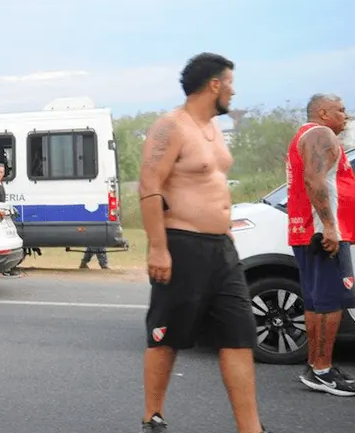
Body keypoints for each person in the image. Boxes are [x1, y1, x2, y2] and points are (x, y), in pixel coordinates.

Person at [137, 53, 269, 433]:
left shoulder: (211, 130)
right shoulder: (171, 126)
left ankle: (251, 429)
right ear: (215, 84)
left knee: (239, 335)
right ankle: (153, 417)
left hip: (221, 248)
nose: (233, 90)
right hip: (180, 244)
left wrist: (224, 234)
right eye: (230, 82)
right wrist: (158, 247)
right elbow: (150, 186)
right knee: (167, 335)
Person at [286, 93, 355, 397]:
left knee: (318, 301)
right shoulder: (320, 134)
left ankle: (318, 366)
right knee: (330, 302)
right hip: (321, 231)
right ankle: (320, 371)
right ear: (323, 112)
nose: (346, 115)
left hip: (310, 230)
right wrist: (330, 226)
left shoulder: (308, 134)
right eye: (341, 110)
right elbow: (314, 181)